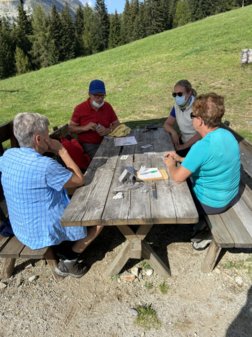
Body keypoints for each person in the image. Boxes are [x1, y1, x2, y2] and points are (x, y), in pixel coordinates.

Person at [0, 112, 103, 278]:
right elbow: (79, 180)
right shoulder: (45, 166)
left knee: (68, 191)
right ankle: (71, 257)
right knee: (101, 215)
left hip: (20, 226)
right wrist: (61, 150)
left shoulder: (8, 155)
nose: (50, 138)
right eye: (47, 135)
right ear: (38, 139)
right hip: (41, 232)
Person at [164, 92, 240, 216]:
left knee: (172, 188)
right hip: (230, 196)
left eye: (192, 115)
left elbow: (178, 177)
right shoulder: (227, 135)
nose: (191, 118)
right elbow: (212, 160)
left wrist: (171, 164)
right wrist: (182, 159)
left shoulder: (201, 146)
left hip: (210, 204)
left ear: (199, 121)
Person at [69, 79, 120, 158]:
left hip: (107, 139)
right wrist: (85, 128)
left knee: (120, 154)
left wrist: (107, 130)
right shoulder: (80, 108)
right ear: (89, 94)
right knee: (103, 159)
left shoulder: (107, 106)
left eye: (102, 95)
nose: (99, 99)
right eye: (96, 96)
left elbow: (117, 124)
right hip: (89, 144)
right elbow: (71, 128)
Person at [164, 79, 201, 157]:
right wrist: (173, 133)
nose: (177, 97)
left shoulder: (197, 107)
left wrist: (183, 147)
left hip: (197, 145)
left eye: (180, 94)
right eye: (175, 94)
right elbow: (167, 124)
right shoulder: (177, 106)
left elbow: (201, 133)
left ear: (189, 92)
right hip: (183, 142)